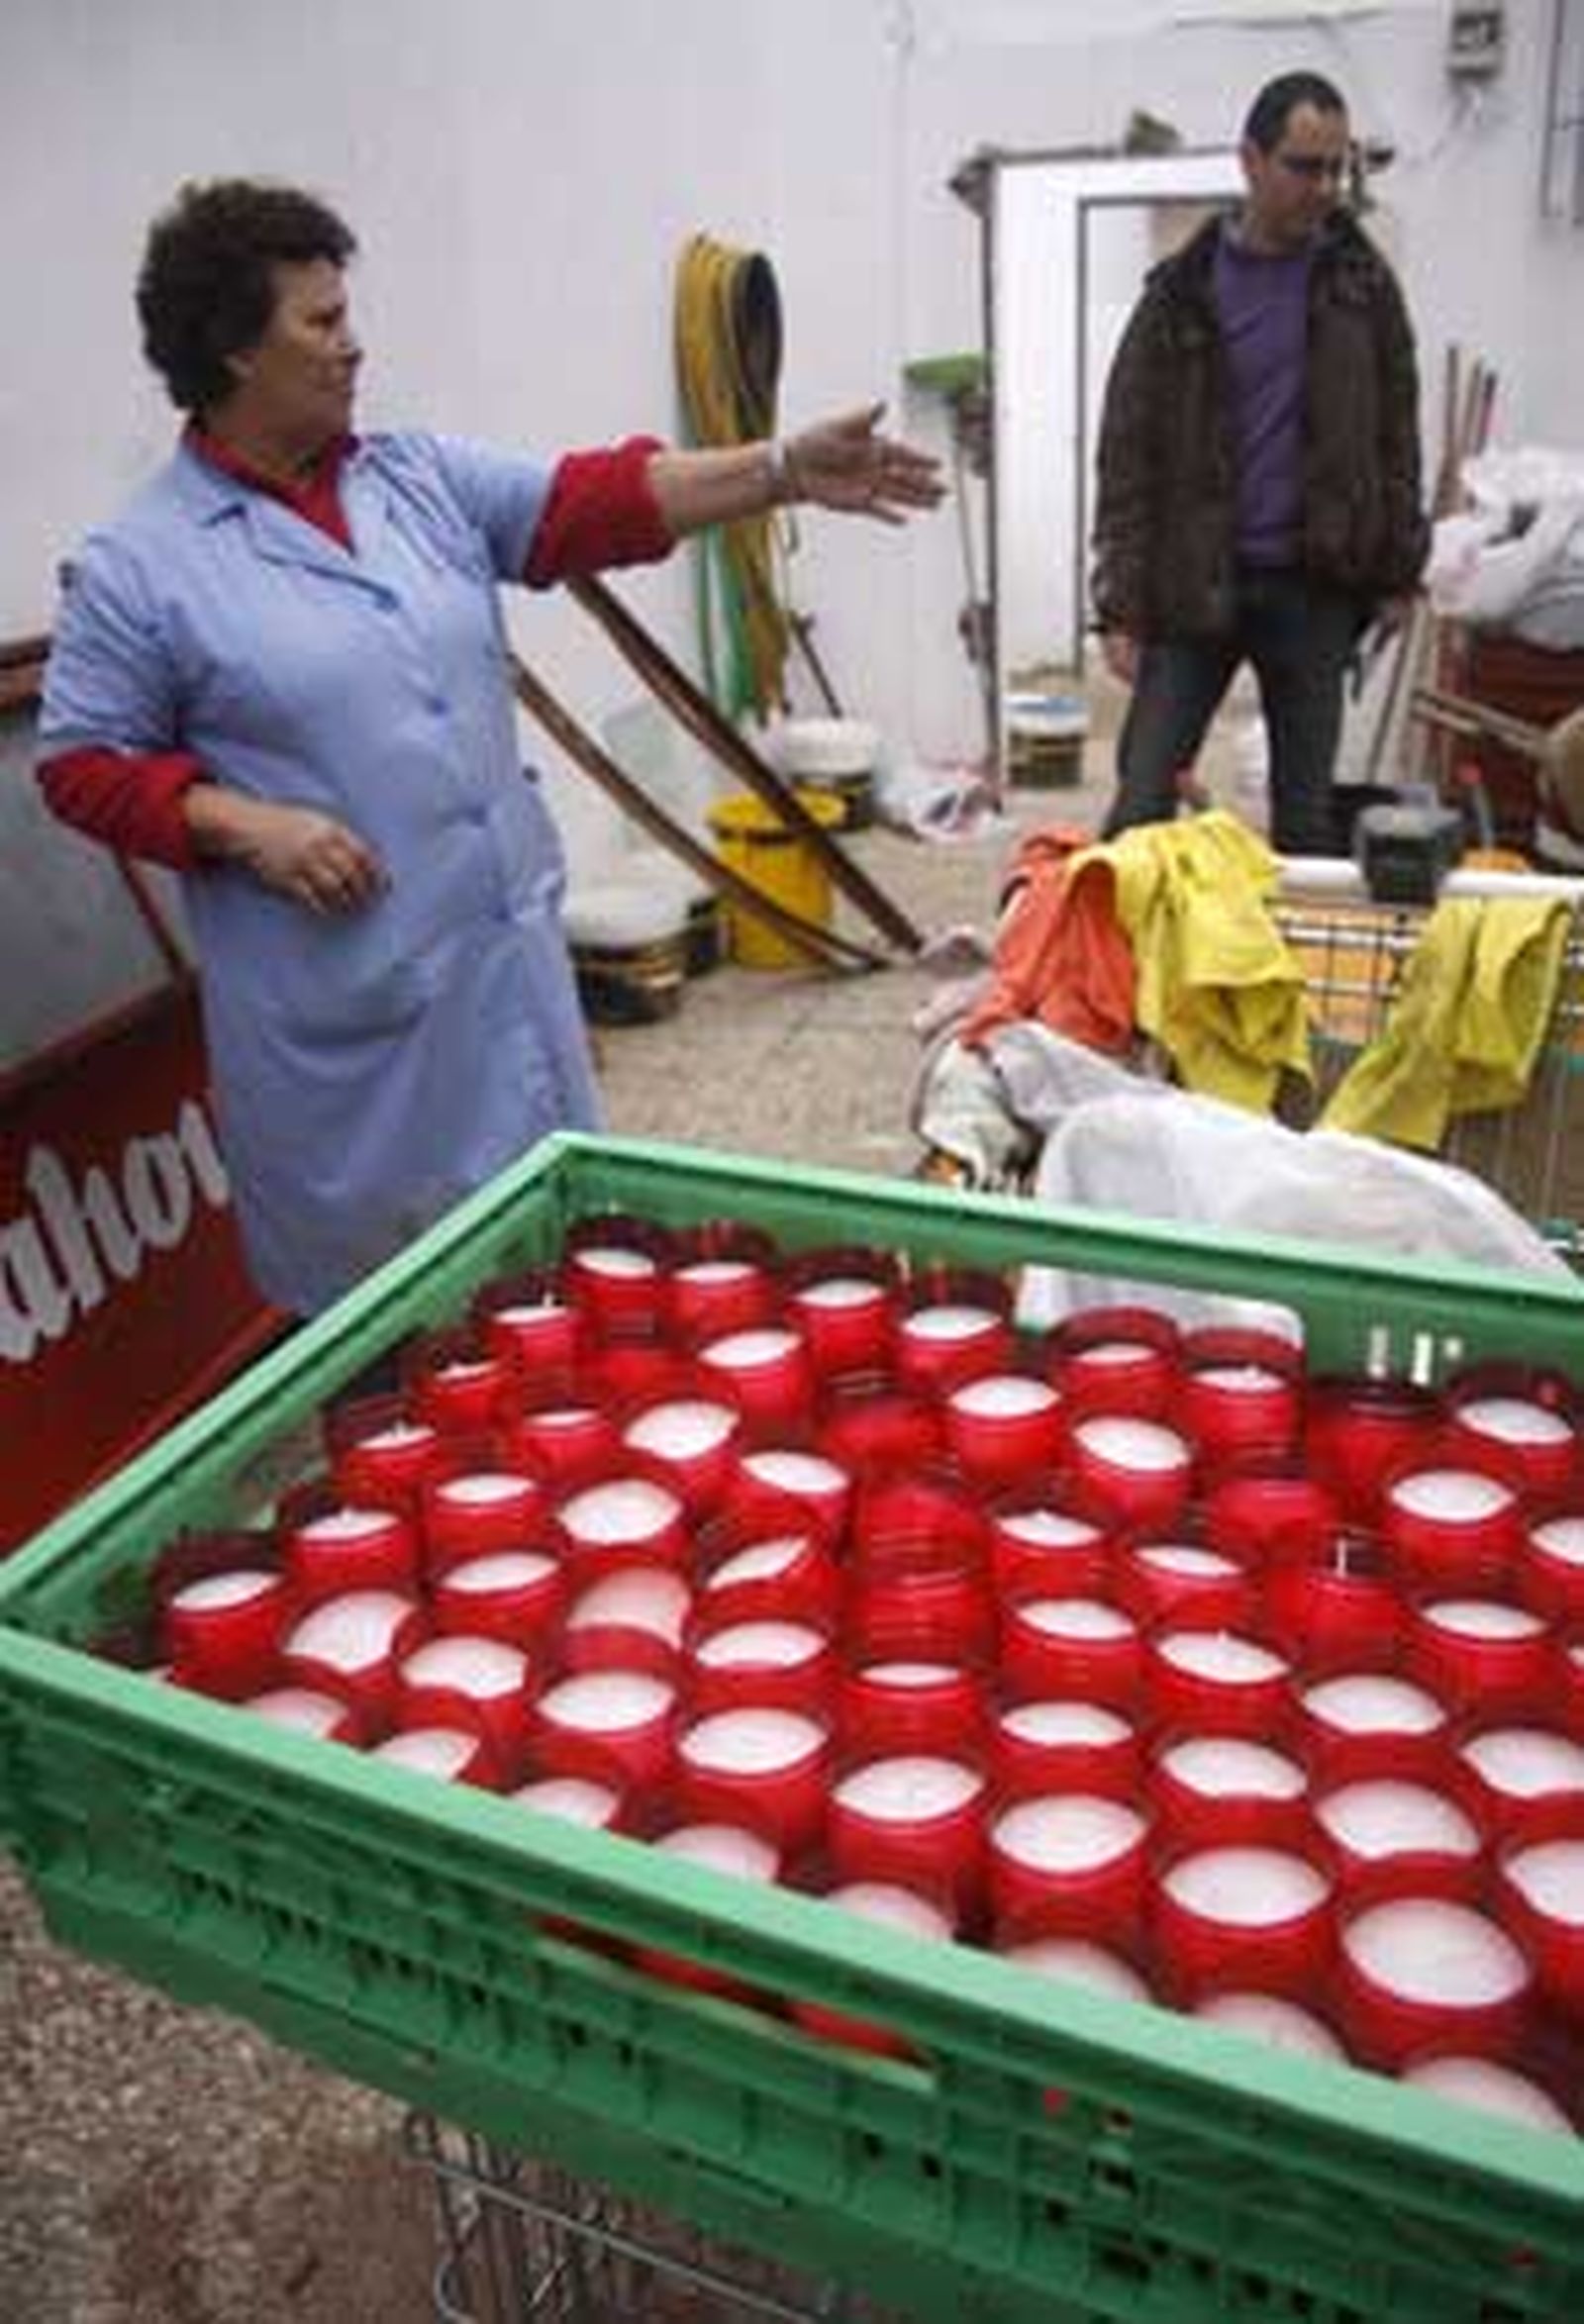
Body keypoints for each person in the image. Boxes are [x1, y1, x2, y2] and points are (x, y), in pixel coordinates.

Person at [37, 179, 942, 1317]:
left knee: (554, 1283)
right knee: (399, 1330)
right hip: (351, 1006)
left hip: (497, 973)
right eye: (320, 322)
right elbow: (78, 764)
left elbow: (587, 501)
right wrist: (241, 823)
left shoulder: (411, 477)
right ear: (229, 351)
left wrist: (774, 470)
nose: (352, 345)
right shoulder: (145, 564)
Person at [1091, 70, 1428, 855]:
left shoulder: (1363, 287)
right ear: (1250, 160)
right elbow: (1127, 454)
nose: (1325, 188)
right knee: (1142, 807)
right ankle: (1131, 975)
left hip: (1316, 587)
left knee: (1307, 830)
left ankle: (1285, 978)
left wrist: (1399, 566)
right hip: (1192, 585)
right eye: (1304, 166)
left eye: (1336, 168)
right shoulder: (1179, 294)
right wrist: (1117, 602)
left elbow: (1397, 435)